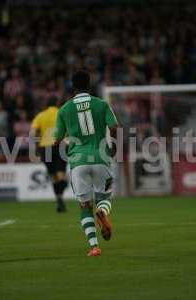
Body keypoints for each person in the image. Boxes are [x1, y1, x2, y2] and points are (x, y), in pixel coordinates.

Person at [54, 70, 119, 257]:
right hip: (101, 158)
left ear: (72, 87)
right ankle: (102, 211)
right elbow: (114, 127)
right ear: (89, 85)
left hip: (78, 162)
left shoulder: (64, 109)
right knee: (105, 198)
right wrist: (112, 148)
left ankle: (94, 247)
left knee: (84, 206)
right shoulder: (102, 104)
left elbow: (57, 140)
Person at [30, 96, 67, 212]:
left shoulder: (40, 115)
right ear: (57, 103)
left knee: (53, 176)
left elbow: (33, 132)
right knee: (60, 174)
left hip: (44, 148)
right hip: (60, 145)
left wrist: (35, 146)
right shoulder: (62, 113)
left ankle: (59, 199)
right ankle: (63, 186)